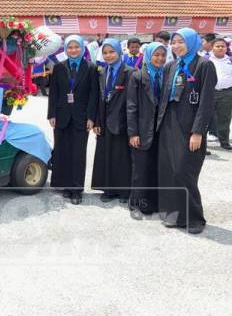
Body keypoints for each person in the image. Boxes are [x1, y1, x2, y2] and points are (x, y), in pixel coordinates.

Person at [156, 28, 216, 234]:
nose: (176, 46)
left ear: (191, 42)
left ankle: (195, 218)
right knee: (170, 171)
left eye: (181, 42)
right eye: (174, 42)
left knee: (185, 172)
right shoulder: (171, 66)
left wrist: (198, 131)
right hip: (169, 122)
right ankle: (174, 214)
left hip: (190, 126)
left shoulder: (204, 65)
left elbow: (207, 102)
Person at [48, 35, 98, 205]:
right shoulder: (59, 67)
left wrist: (91, 117)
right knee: (62, 151)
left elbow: (94, 95)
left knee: (78, 154)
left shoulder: (90, 68)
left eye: (77, 47)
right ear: (65, 49)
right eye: (70, 47)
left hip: (81, 118)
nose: (73, 50)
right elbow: (53, 93)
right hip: (61, 117)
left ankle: (77, 189)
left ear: (82, 48)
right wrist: (51, 114)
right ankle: (65, 186)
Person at [127, 42, 167, 220]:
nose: (159, 58)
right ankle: (134, 204)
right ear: (148, 56)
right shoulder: (138, 76)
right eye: (156, 55)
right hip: (142, 131)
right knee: (140, 170)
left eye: (163, 55)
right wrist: (133, 133)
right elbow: (131, 106)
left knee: (156, 168)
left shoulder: (167, 75)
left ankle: (151, 203)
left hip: (161, 131)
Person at [91, 39, 134, 204]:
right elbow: (98, 98)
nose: (108, 55)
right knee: (106, 155)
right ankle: (108, 190)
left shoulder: (130, 72)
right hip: (103, 120)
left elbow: (132, 100)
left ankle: (124, 191)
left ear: (119, 52)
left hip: (122, 121)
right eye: (105, 52)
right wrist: (96, 121)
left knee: (122, 157)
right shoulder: (101, 71)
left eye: (112, 52)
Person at [209, 38, 232, 150]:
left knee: (225, 117)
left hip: (226, 93)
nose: (220, 48)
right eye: (217, 46)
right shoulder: (206, 60)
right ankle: (203, 144)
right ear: (212, 48)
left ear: (226, 48)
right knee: (206, 117)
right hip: (209, 93)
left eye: (223, 46)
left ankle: (224, 141)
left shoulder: (230, 60)